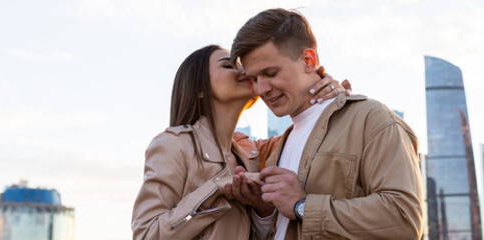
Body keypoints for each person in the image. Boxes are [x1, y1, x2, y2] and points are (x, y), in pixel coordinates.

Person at [225, 8, 425, 240]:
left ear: (308, 61)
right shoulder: (276, 148)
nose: (261, 89)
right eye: (254, 79)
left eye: (271, 73)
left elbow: (404, 219)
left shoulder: (371, 119)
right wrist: (263, 210)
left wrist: (303, 206)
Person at [131, 44, 348, 239]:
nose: (245, 71)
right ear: (199, 89)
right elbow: (147, 234)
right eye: (229, 65)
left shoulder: (254, 153)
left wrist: (329, 94)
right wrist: (214, 188)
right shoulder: (173, 145)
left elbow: (309, 135)